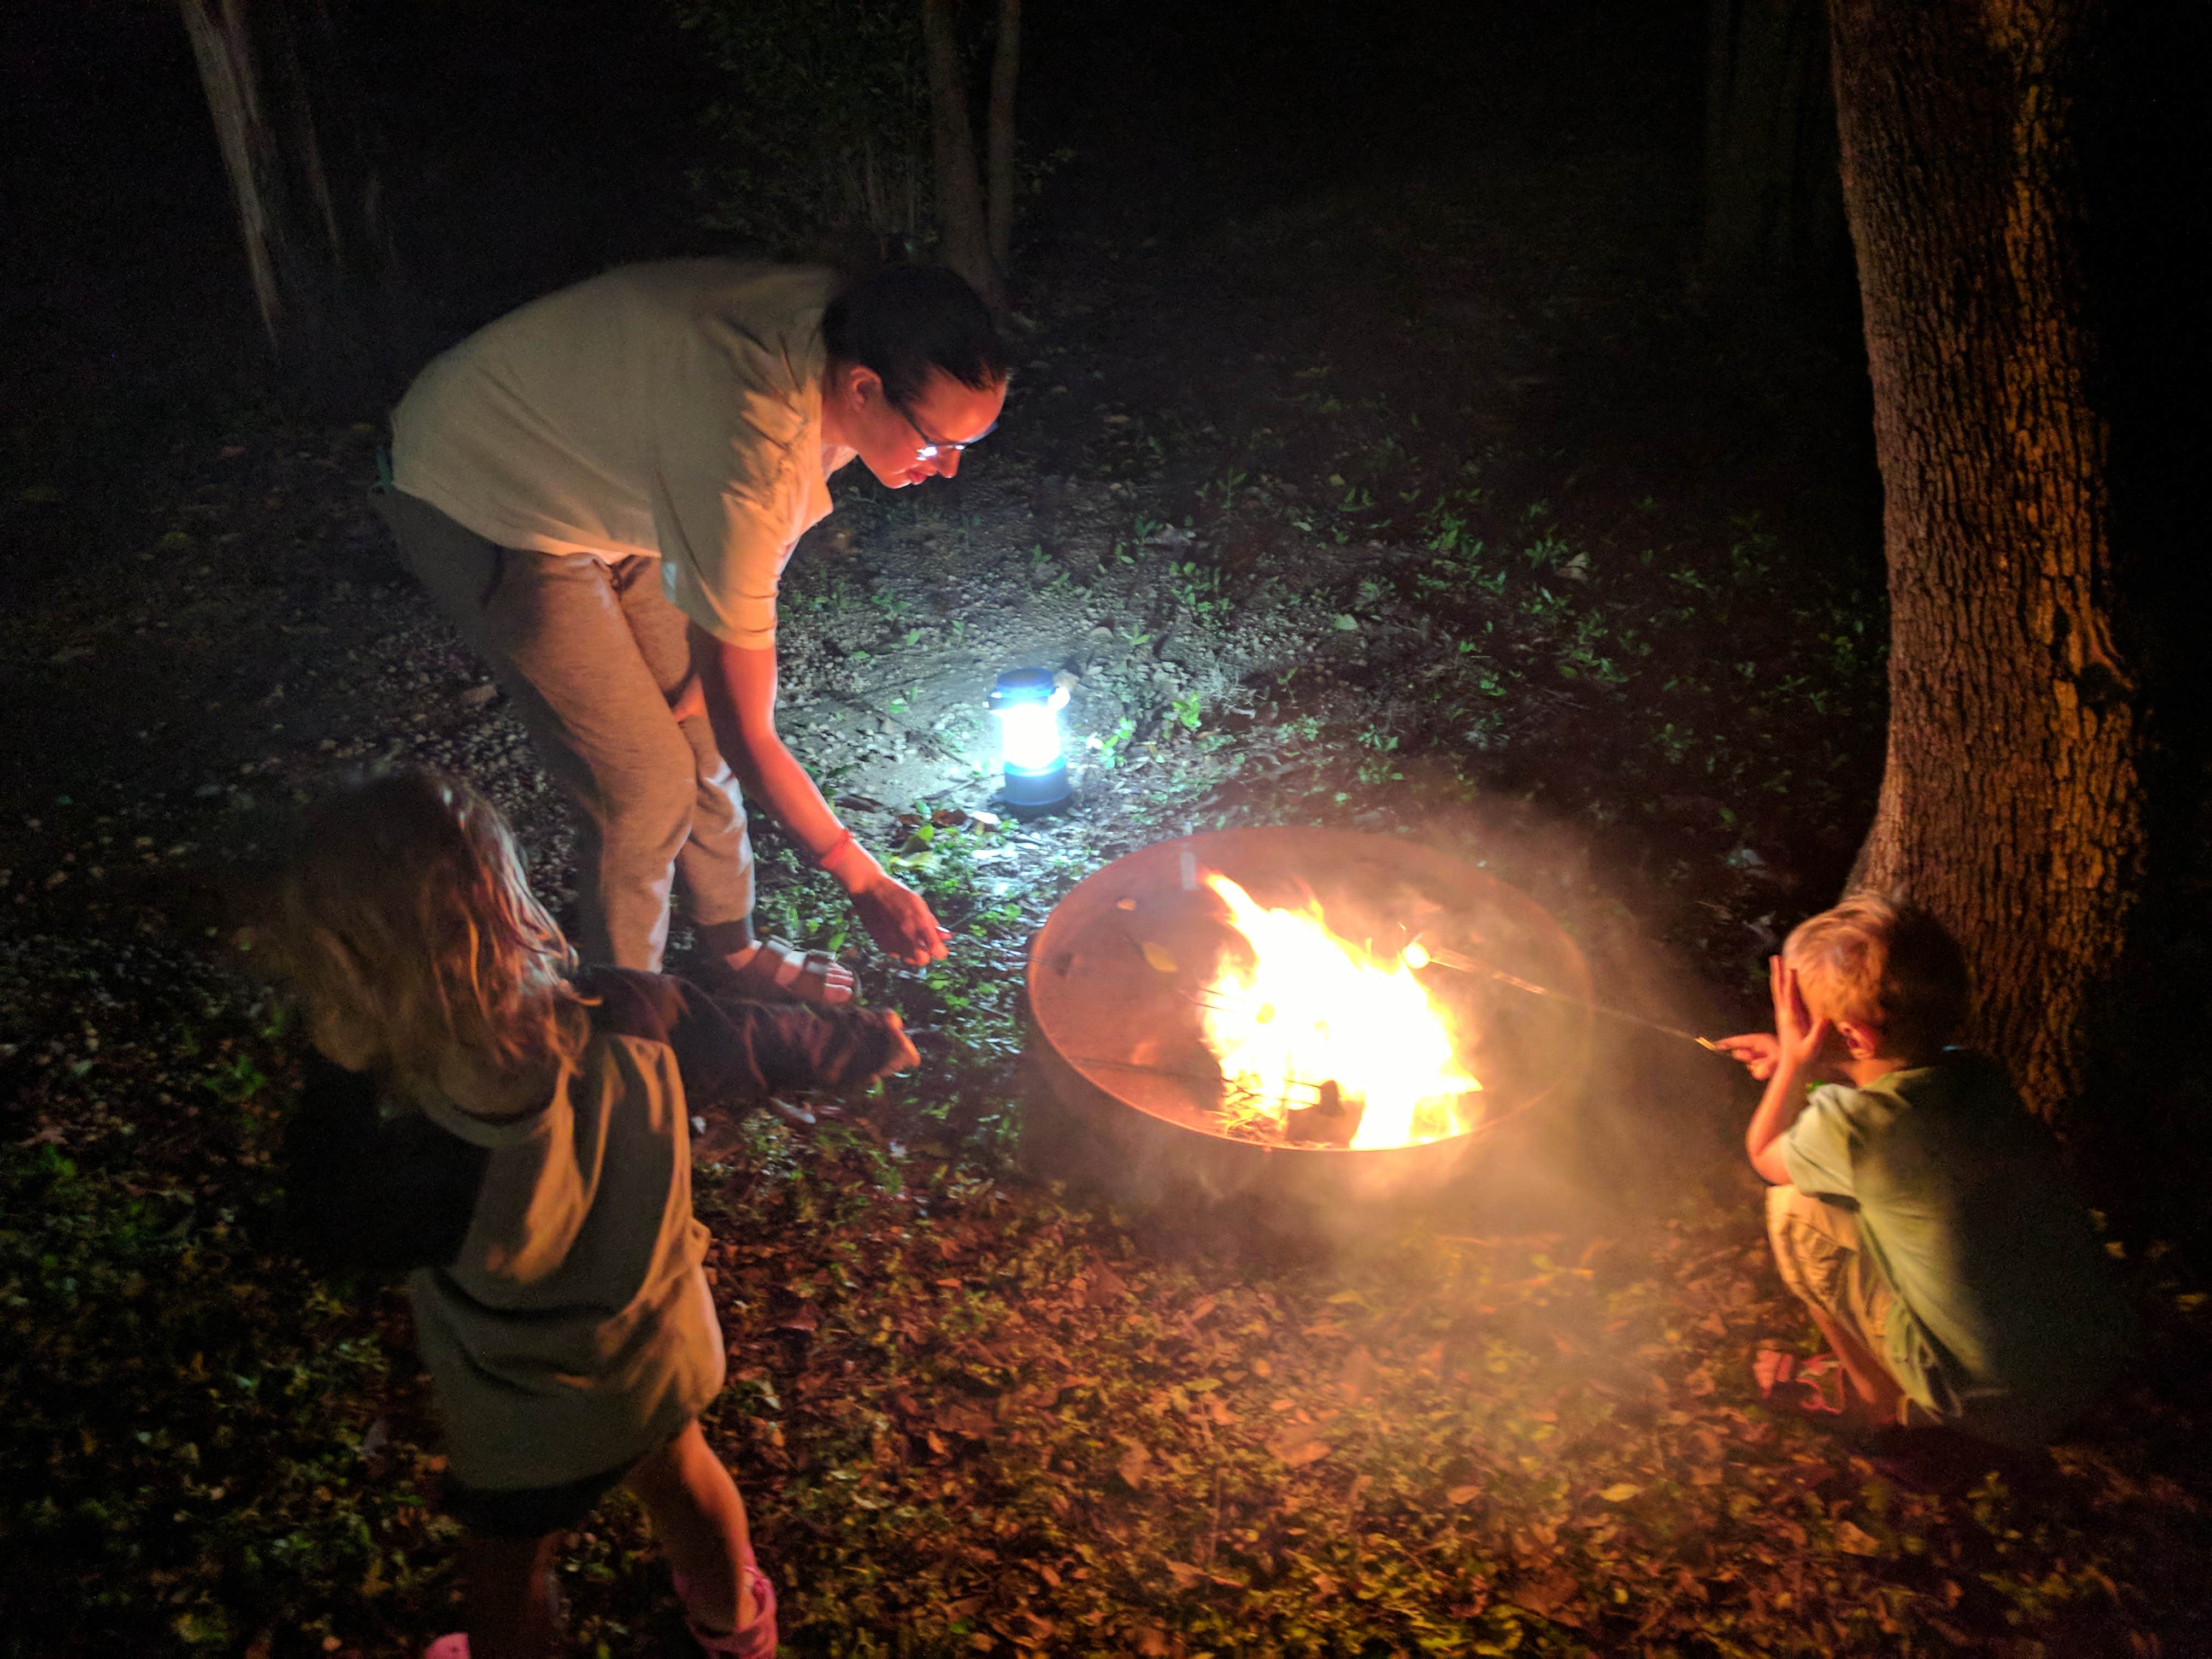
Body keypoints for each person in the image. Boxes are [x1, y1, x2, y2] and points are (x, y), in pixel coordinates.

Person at [263, 766, 920, 1659]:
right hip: (663, 1350)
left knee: (507, 1561)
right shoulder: (631, 1008)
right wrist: (862, 1043)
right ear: (504, 891)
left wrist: (335, 1075)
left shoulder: (410, 1124)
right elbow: (756, 1041)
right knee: (684, 1477)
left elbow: (331, 1228)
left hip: (525, 1404)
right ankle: (737, 1630)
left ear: (348, 957)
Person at [378, 260, 1011, 1003]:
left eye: (971, 443)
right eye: (935, 442)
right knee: (644, 788)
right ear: (863, 389)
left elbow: (753, 571)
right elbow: (754, 735)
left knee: (701, 731)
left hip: (626, 476)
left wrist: (717, 665)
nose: (948, 469)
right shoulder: (751, 452)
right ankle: (627, 1018)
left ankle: (732, 951)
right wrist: (864, 879)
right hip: (488, 486)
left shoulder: (861, 326)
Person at [1717, 893, 2129, 1456]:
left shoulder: (1856, 1130)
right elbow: (1874, 1105)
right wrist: (1807, 1070)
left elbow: (1765, 1153)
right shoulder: (1977, 1076)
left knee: (1791, 1206)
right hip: (2085, 1360)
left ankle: (1876, 1399)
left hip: (1984, 1399)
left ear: (1856, 1037)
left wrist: (1791, 1065)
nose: (1791, 1031)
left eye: (1801, 1022)